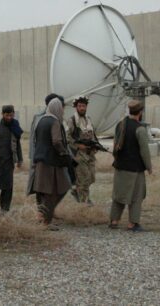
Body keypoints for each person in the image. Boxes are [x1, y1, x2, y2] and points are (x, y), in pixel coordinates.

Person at [109, 100, 152, 232]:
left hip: (120, 166)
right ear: (140, 112)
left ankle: (114, 220)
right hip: (135, 169)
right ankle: (132, 223)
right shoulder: (140, 129)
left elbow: (116, 144)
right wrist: (149, 167)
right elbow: (144, 151)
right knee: (136, 196)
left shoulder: (120, 125)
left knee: (119, 195)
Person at [30, 97, 72, 229]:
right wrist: (64, 152)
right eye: (62, 108)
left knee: (46, 191)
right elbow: (57, 141)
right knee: (55, 191)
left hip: (41, 161)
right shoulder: (55, 122)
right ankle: (46, 222)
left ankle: (42, 216)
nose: (63, 111)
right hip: (52, 163)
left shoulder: (41, 120)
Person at [27, 93, 67, 195]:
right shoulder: (39, 118)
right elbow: (33, 138)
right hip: (42, 155)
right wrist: (32, 155)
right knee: (40, 183)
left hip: (51, 156)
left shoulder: (58, 118)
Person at [67, 96, 99, 204]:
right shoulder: (72, 120)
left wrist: (96, 145)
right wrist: (78, 146)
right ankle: (84, 203)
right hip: (79, 155)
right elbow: (67, 137)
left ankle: (77, 190)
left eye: (83, 106)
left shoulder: (88, 119)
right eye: (79, 106)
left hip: (90, 154)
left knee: (92, 177)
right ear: (76, 107)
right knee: (83, 179)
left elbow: (92, 134)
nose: (82, 108)